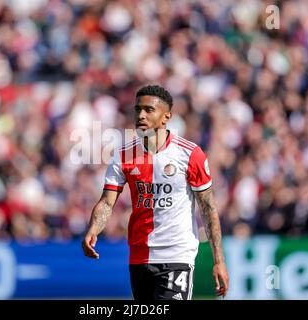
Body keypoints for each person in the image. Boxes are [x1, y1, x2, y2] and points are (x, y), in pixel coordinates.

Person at [82, 85, 229, 300]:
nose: (141, 115)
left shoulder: (190, 155)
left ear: (165, 117)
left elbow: (208, 209)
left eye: (149, 110)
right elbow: (107, 202)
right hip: (139, 256)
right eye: (138, 109)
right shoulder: (123, 156)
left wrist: (219, 260)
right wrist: (94, 228)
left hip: (177, 254)